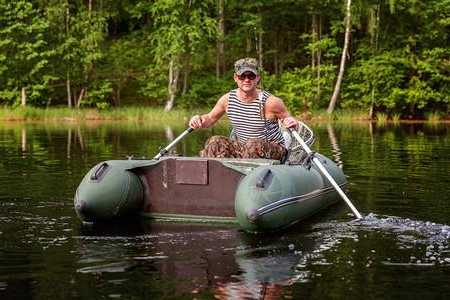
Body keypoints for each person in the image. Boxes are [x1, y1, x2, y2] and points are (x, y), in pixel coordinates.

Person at [189, 58, 298, 161]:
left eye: (251, 76)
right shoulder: (227, 100)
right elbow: (209, 118)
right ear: (236, 78)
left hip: (273, 149)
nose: (247, 80)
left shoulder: (271, 102)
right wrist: (198, 119)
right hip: (243, 148)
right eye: (242, 76)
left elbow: (291, 123)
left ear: (257, 78)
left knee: (253, 145)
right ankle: (217, 176)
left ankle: (249, 176)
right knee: (215, 142)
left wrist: (292, 122)